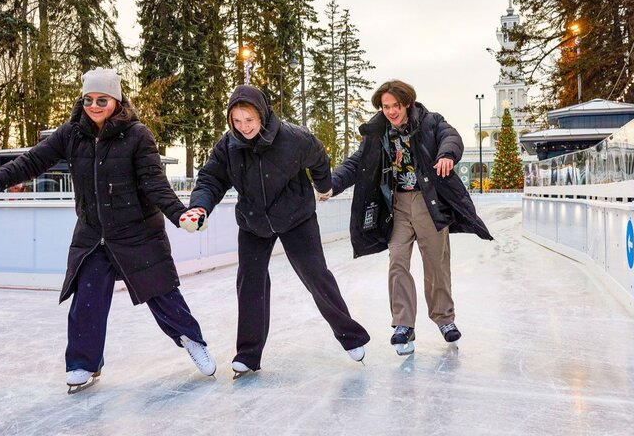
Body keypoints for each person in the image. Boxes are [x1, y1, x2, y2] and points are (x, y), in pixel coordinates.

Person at [0, 67, 217, 392]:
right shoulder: (71, 133)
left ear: (116, 100)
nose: (94, 105)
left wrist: (180, 215)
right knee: (87, 298)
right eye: (89, 99)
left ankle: (192, 340)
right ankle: (84, 363)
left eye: (102, 99)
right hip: (93, 234)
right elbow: (31, 161)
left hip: (138, 232)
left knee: (161, 293)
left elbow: (154, 184)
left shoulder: (137, 135)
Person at [181, 85, 370, 378]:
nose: (244, 127)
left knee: (316, 275)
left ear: (262, 115)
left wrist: (323, 185)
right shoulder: (228, 146)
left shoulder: (294, 138)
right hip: (254, 222)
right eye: (237, 121)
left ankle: (351, 337)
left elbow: (319, 157)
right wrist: (199, 207)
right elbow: (210, 180)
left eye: (249, 120)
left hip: (296, 218)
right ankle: (248, 354)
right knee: (250, 282)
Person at [324, 79, 493, 356]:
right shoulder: (377, 132)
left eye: (396, 106)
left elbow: (451, 137)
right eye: (386, 106)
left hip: (429, 202)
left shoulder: (429, 121)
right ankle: (403, 323)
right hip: (397, 206)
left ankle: (444, 318)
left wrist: (447, 155)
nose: (391, 111)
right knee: (398, 260)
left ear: (408, 104)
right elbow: (356, 163)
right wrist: (332, 184)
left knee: (436, 263)